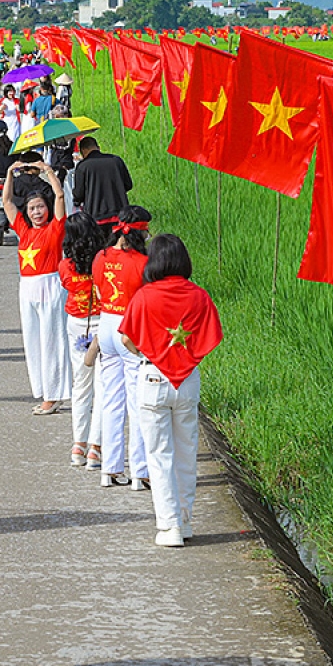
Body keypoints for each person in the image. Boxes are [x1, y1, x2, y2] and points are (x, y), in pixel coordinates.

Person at [119, 234, 223, 547]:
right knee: (186, 453)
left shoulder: (144, 296)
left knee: (159, 455)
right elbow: (212, 336)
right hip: (187, 380)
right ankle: (186, 520)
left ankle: (169, 525)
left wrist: (147, 353)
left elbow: (126, 338)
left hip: (152, 378)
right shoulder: (199, 296)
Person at [91, 205, 152, 489]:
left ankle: (110, 469)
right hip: (130, 328)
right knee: (138, 402)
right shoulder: (143, 262)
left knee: (111, 400)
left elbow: (99, 289)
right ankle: (140, 470)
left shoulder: (100, 257)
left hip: (106, 325)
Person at [8, 161, 72, 415]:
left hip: (51, 287)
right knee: (33, 343)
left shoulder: (55, 229)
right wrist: (10, 173)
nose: (36, 212)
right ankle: (44, 391)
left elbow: (59, 196)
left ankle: (54, 395)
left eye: (40, 207)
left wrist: (48, 171)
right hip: (27, 289)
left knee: (52, 341)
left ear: (47, 209)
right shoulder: (23, 231)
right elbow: (7, 202)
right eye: (32, 208)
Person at [59, 214, 107, 470]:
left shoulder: (65, 266)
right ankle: (96, 447)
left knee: (80, 385)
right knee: (102, 386)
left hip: (77, 324)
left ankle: (78, 444)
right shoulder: (103, 262)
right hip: (102, 323)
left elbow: (66, 285)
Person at [70, 137, 133, 226]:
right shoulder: (116, 160)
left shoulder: (82, 166)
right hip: (120, 214)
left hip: (95, 216)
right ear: (98, 147)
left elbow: (79, 194)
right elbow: (128, 185)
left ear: (83, 151)